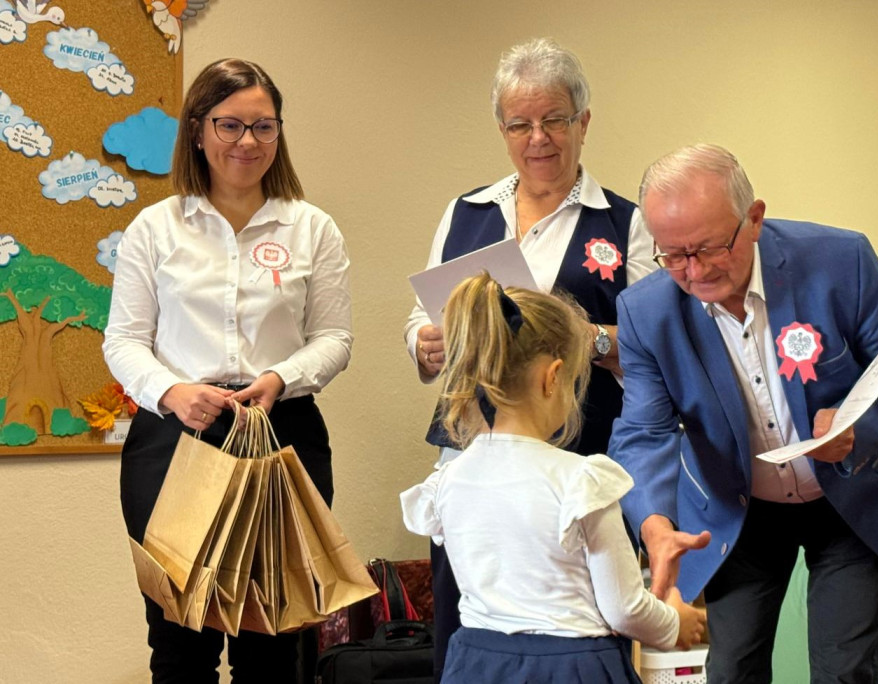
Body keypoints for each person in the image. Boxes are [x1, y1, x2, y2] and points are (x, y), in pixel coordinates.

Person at [608, 144, 878, 684]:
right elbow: (641, 433)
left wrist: (857, 428)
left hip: (851, 496)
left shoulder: (839, 260)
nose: (694, 271)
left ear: (754, 219)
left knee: (845, 671)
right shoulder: (646, 311)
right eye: (673, 255)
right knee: (733, 670)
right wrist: (653, 524)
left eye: (710, 248)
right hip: (740, 508)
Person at [403, 37, 657, 678]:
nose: (538, 138)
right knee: (466, 613)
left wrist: (583, 339)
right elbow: (422, 316)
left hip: (579, 442)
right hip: (473, 453)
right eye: (520, 124)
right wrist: (424, 342)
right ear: (502, 128)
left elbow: (654, 343)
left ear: (584, 121)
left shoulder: (626, 223)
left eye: (554, 120)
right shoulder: (467, 211)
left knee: (580, 613)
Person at [103, 58, 352, 683]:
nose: (248, 142)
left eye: (264, 127)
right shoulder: (156, 228)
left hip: (280, 431)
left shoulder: (311, 228)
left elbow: (334, 338)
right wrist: (171, 391)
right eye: (230, 125)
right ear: (197, 129)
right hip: (176, 438)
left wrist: (282, 378)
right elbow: (124, 341)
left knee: (273, 644)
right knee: (180, 643)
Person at [401, 273, 707, 683]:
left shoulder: (448, 481)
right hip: (570, 666)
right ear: (553, 377)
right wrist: (675, 623)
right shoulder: (580, 481)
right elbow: (624, 608)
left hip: (476, 663)